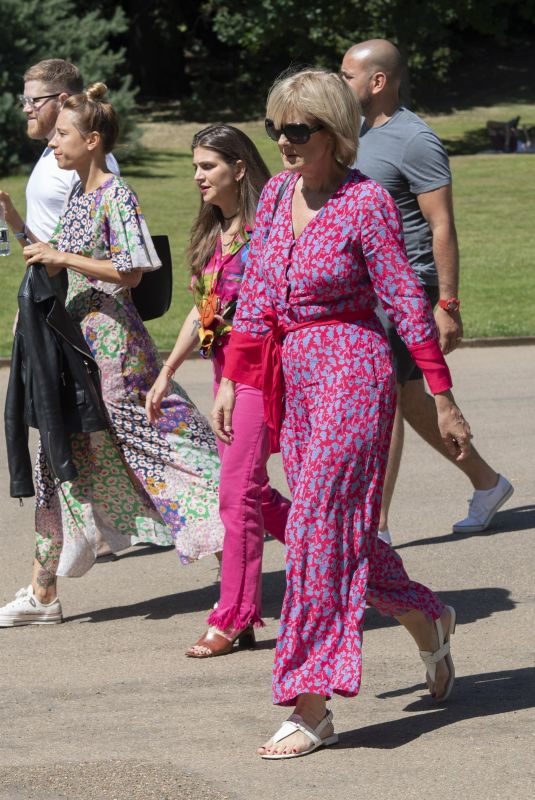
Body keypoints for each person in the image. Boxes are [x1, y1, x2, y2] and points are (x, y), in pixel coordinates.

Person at [212, 68, 472, 759]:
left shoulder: (366, 203)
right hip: (295, 376)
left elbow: (403, 303)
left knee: (319, 531)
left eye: (298, 129)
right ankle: (426, 615)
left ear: (335, 132)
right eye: (277, 128)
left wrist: (440, 395)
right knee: (331, 530)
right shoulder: (272, 195)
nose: (284, 141)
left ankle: (310, 703)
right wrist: (233, 382)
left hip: (355, 372)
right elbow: (259, 296)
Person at [0, 84, 224, 627]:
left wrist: (64, 255)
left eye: (62, 134)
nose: (52, 143)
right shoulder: (78, 195)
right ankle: (43, 589)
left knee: (166, 450)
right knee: (60, 457)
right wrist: (13, 221)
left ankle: (235, 558)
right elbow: (53, 260)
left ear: (92, 140)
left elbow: (133, 268)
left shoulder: (115, 195)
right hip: (75, 349)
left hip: (116, 352)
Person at [341, 40, 513, 544]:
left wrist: (448, 303)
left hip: (409, 283)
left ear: (378, 81)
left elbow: (442, 225)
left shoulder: (416, 140)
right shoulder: (355, 132)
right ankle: (487, 483)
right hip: (368, 284)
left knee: (386, 396)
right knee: (409, 396)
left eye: (348, 75)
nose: (340, 81)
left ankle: (376, 527)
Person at [146, 125, 290, 657]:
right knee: (247, 491)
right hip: (224, 374)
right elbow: (204, 310)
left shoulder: (265, 231)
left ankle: (232, 616)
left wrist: (232, 379)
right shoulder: (219, 231)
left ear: (240, 168)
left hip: (256, 375)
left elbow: (259, 316)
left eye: (207, 166)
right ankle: (332, 547)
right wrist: (168, 369)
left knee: (237, 494)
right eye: (195, 168)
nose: (198, 177)